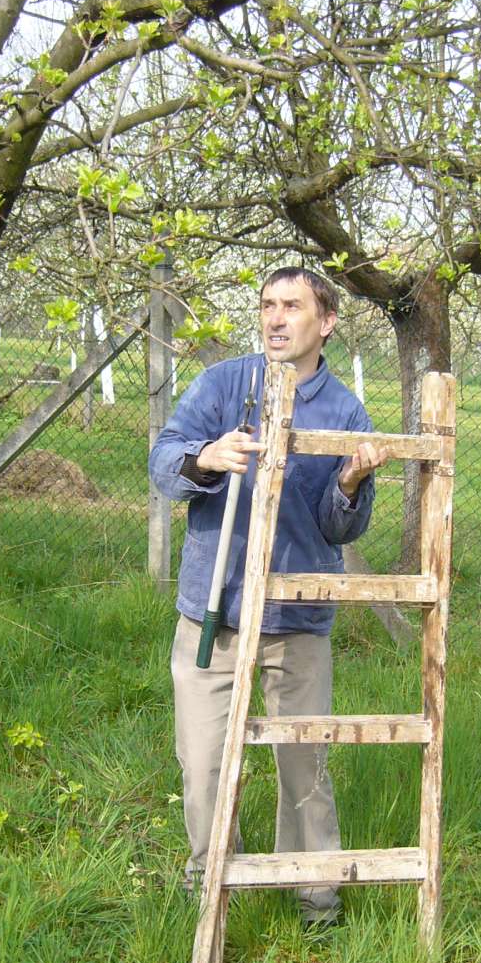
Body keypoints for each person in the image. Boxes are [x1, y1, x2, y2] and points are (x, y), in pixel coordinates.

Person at [148, 267, 388, 927]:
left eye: (292, 306)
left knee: (304, 765)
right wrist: (204, 458)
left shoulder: (345, 412)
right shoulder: (225, 385)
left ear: (326, 322)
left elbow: (341, 528)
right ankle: (210, 887)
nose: (276, 318)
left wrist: (349, 484)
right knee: (203, 761)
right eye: (267, 305)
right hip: (214, 612)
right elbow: (164, 458)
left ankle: (315, 898)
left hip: (297, 617)